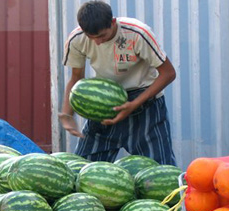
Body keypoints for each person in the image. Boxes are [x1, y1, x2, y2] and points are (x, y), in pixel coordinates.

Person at [58, 0, 176, 165]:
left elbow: (169, 73)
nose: (98, 42)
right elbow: (76, 77)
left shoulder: (138, 33)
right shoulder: (76, 39)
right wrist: (67, 114)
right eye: (91, 38)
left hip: (145, 102)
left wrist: (133, 104)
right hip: (104, 104)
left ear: (113, 22)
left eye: (102, 36)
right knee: (82, 170)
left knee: (160, 169)